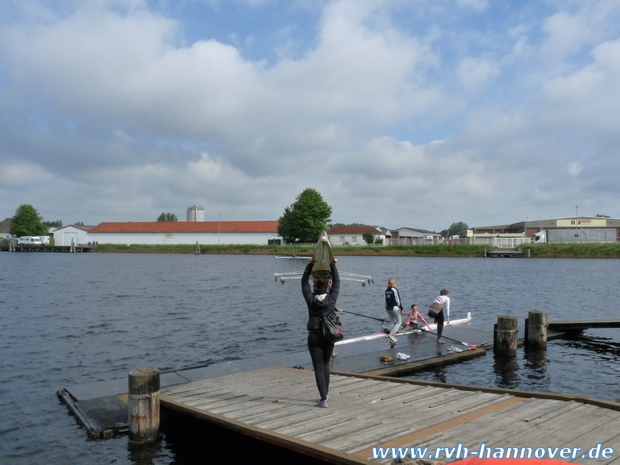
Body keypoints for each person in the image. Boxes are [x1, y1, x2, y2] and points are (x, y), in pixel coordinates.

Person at [301, 257, 340, 408]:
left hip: (314, 336)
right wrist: (333, 265)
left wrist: (310, 265)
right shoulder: (332, 299)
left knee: (318, 367)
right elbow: (337, 283)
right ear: (327, 286)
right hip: (329, 335)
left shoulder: (310, 299)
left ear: (314, 286)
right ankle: (327, 393)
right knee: (326, 364)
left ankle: (323, 399)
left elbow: (303, 283)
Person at [384, 277, 403, 343]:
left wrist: (386, 307)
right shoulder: (394, 290)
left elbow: (386, 300)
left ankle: (392, 338)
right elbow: (398, 300)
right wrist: (401, 308)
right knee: (399, 322)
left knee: (391, 322)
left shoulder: (386, 290)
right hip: (394, 308)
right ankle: (391, 335)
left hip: (388, 308)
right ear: (394, 283)